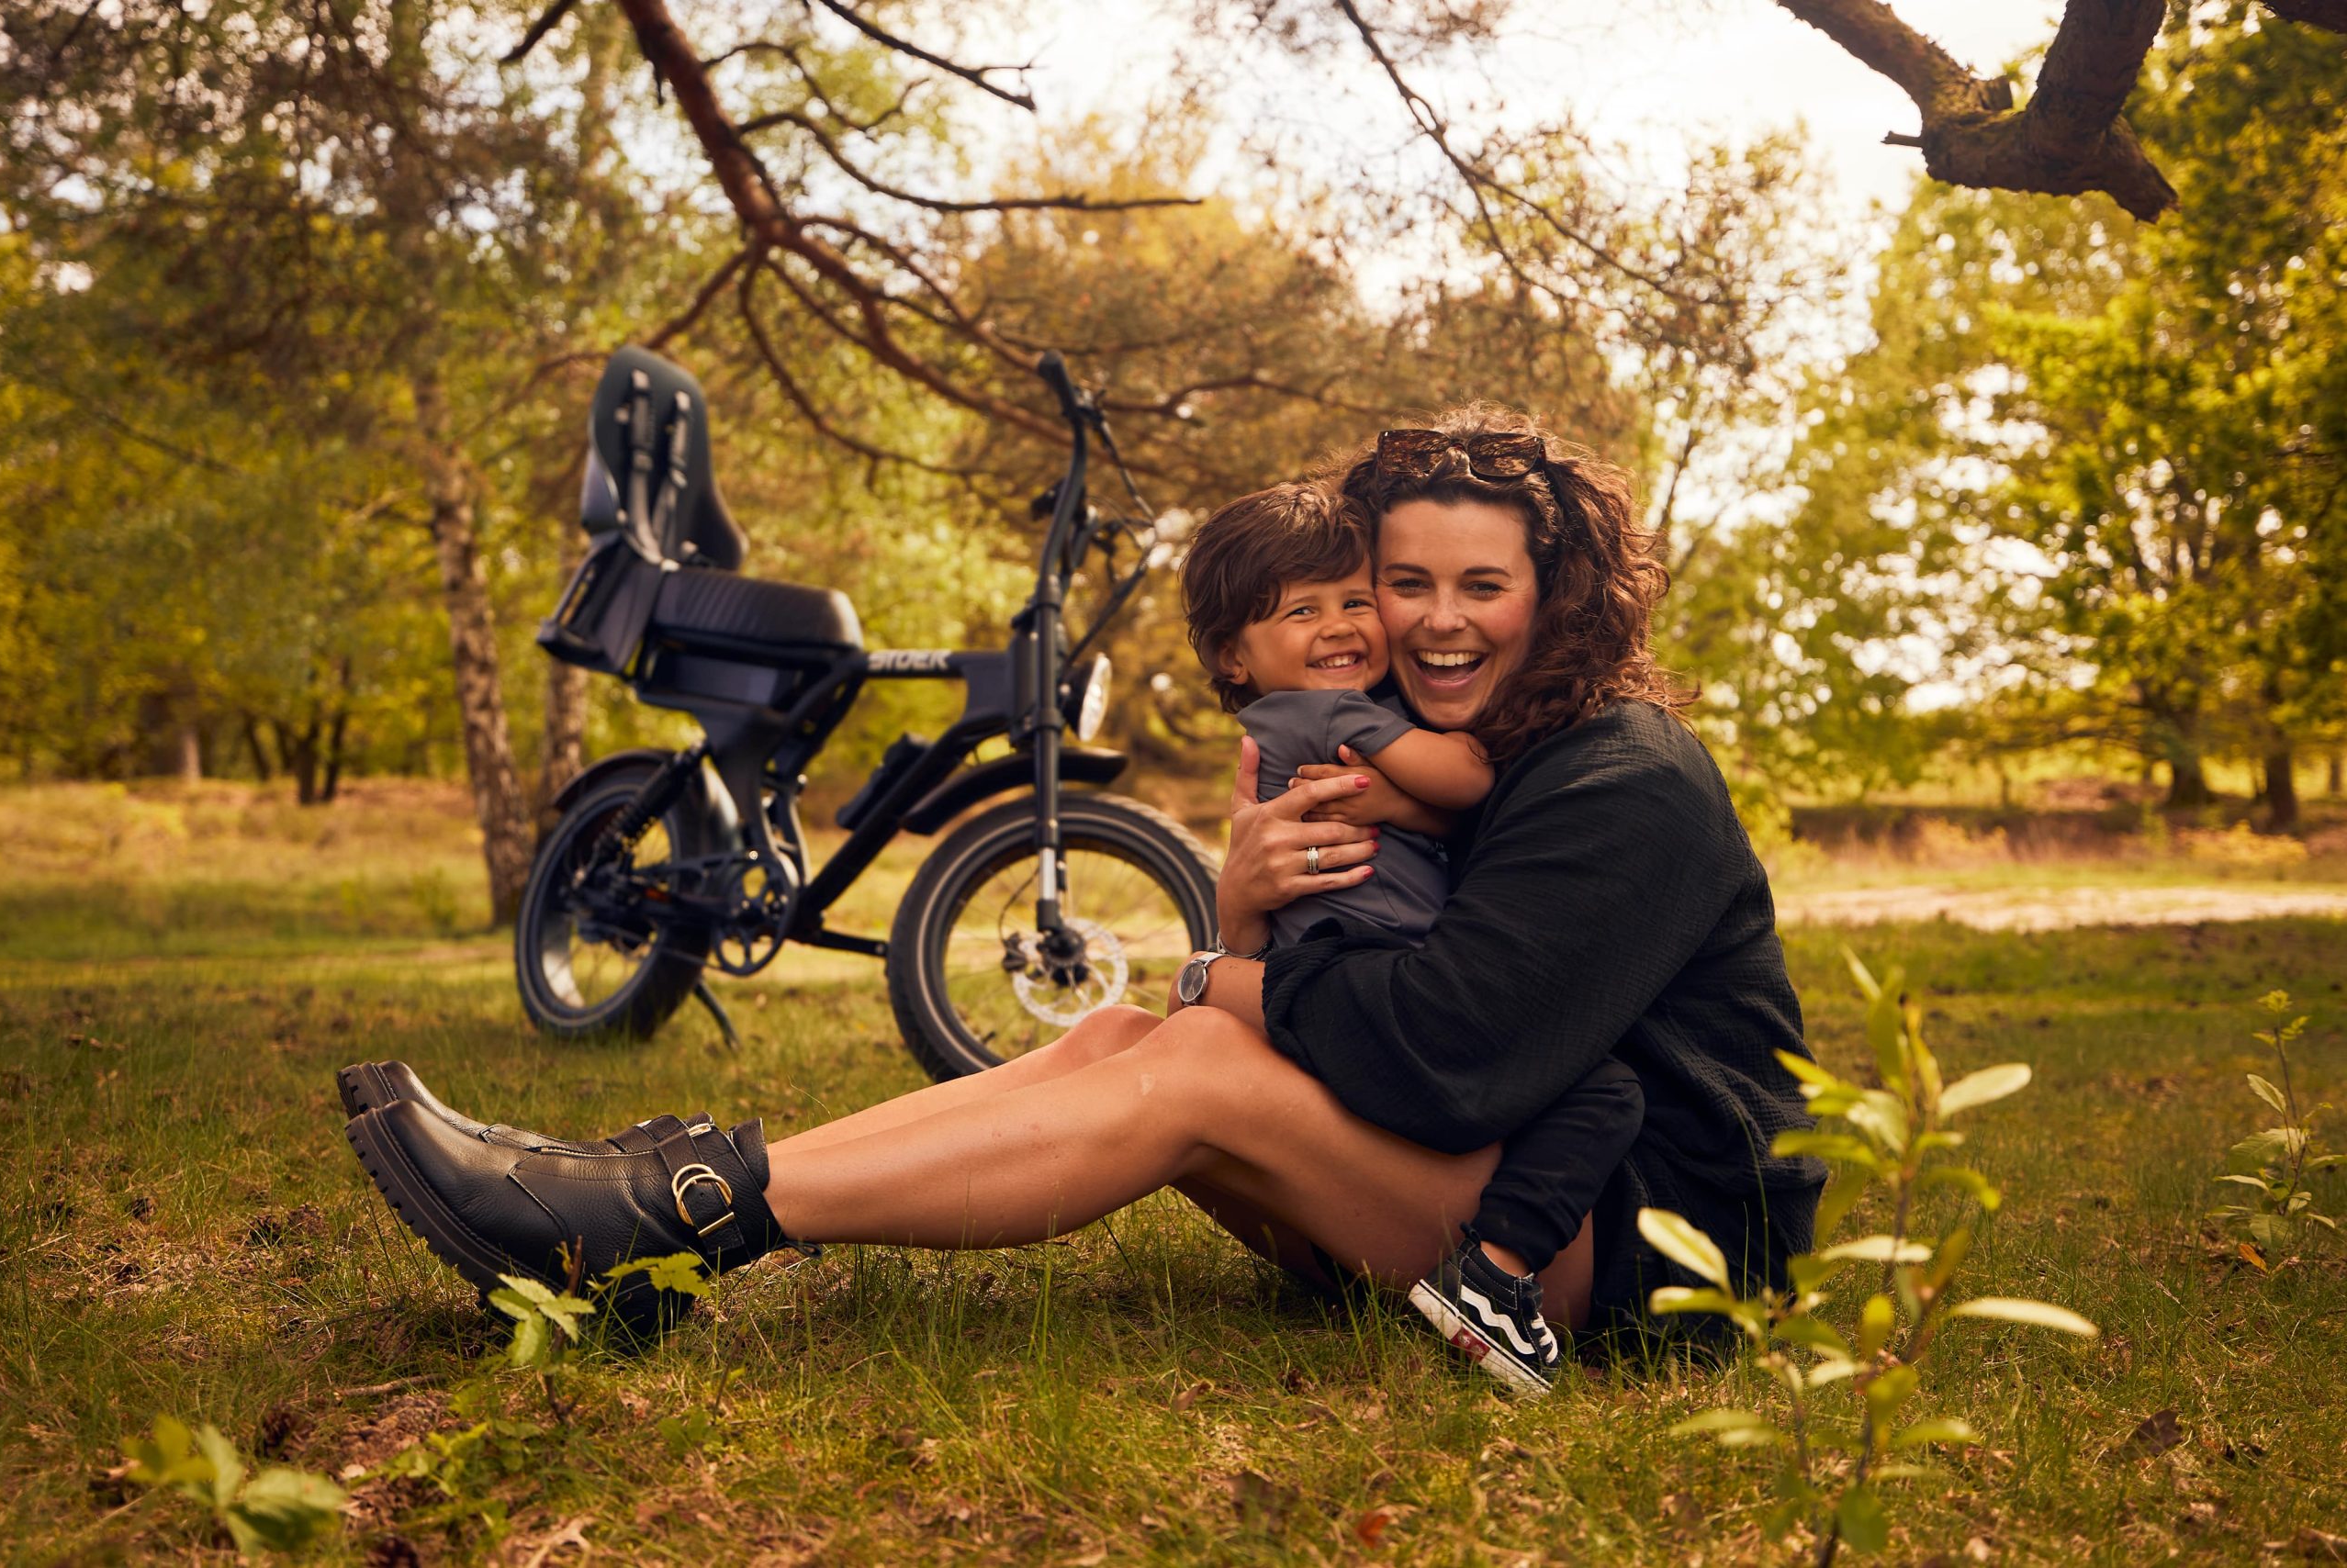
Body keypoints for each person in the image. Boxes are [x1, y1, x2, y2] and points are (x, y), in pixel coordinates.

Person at [339, 403, 1823, 1368]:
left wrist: (1216, 975)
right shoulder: (1461, 745)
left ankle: (656, 1220)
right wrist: (1241, 920)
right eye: (1401, 584)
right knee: (1122, 1042)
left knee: (1187, 1061)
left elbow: (1446, 1053)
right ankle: (659, 1181)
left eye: (1480, 587)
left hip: (1654, 1256)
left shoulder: (1621, 770)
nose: (1431, 621)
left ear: (1558, 593)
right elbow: (1378, 991)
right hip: (1503, 1178)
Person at [1171, 479, 1644, 1394]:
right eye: (1303, 609)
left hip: (1336, 955)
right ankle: (1497, 1277)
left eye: (1352, 599)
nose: (1341, 624)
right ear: (1235, 653)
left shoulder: (1292, 712)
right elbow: (1466, 776)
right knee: (1601, 1090)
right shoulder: (1334, 712)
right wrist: (1449, 777)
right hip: (1371, 966)